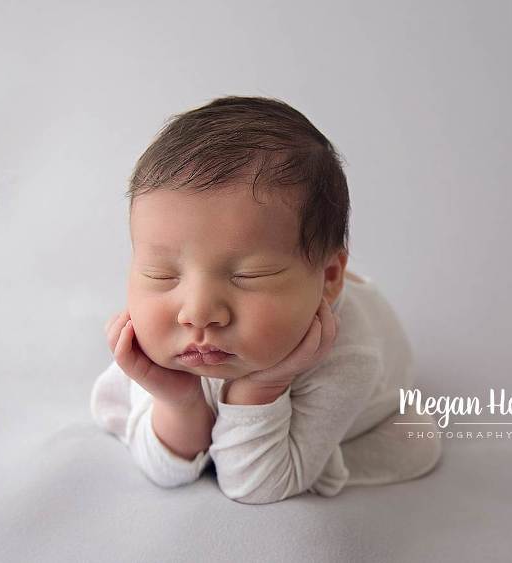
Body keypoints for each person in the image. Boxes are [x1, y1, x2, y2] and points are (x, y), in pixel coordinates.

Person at [90, 95, 442, 504]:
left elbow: (257, 483)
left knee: (407, 444)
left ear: (328, 278)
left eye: (247, 276)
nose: (198, 312)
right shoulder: (167, 345)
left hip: (374, 397)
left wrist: (262, 387)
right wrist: (180, 402)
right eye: (161, 275)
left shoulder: (349, 358)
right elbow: (165, 471)